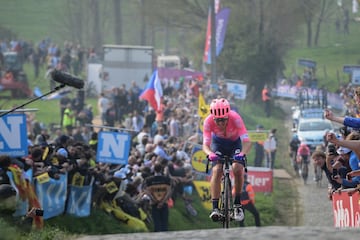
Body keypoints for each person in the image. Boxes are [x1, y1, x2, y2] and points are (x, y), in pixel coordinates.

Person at [202, 98, 252, 222]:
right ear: (213, 118)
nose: (220, 123)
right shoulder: (208, 121)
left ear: (228, 116)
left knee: (237, 168)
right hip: (218, 144)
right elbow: (205, 144)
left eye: (223, 119)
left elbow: (247, 141)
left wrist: (242, 153)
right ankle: (215, 208)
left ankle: (237, 205)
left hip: (235, 144)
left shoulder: (235, 118)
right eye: (217, 120)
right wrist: (209, 154)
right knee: (217, 170)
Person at [142, 162, 173, 232]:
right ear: (161, 169)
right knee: (164, 224)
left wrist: (155, 200)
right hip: (164, 203)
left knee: (157, 224)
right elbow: (169, 192)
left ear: (154, 170)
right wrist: (162, 202)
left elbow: (147, 192)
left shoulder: (149, 180)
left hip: (154, 203)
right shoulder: (166, 179)